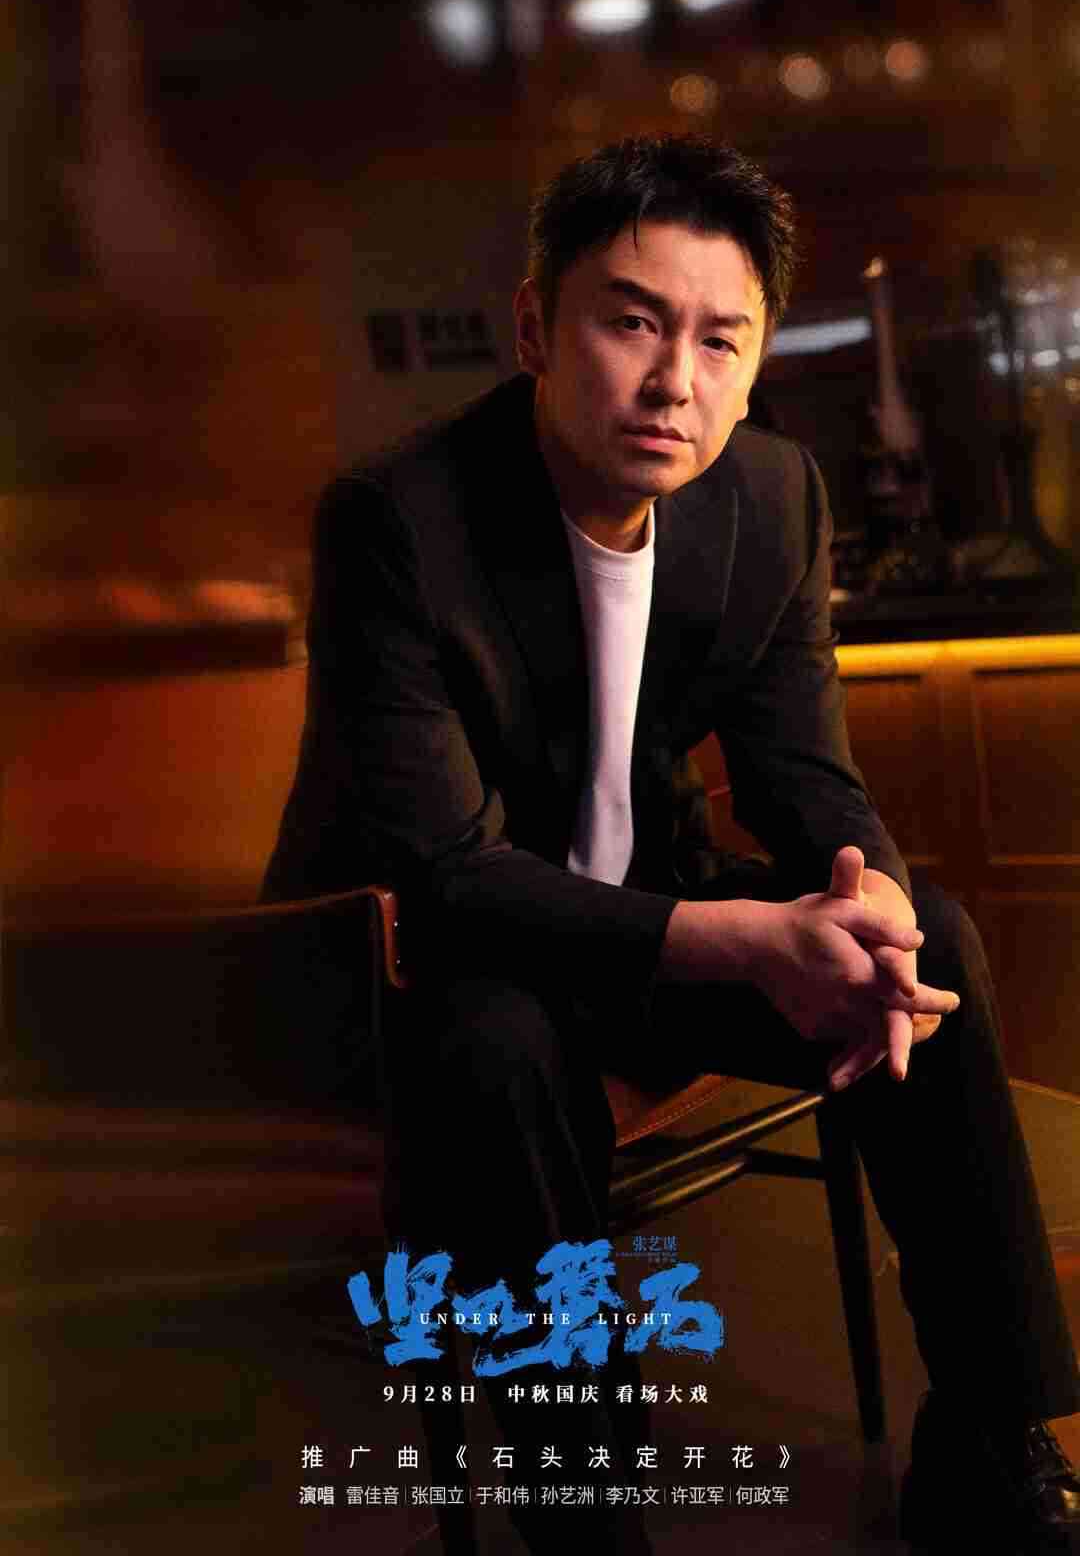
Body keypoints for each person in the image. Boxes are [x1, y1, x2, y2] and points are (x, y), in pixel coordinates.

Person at [264, 134, 1079, 1553]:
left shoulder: (767, 497)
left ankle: (991, 1446)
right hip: (419, 972)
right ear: (537, 327)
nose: (674, 381)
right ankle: (588, 1523)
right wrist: (744, 941)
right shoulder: (399, 522)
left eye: (719, 339)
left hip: (643, 936)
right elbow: (447, 876)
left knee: (928, 946)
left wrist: (869, 904)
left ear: (755, 365)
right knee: (499, 1044)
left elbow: (805, 780)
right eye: (633, 323)